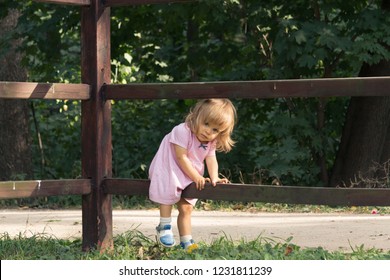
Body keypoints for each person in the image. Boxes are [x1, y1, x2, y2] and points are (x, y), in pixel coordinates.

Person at [148, 98, 237, 250]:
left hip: (190, 171)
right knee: (168, 193)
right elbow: (180, 157)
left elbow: (211, 158)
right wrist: (196, 176)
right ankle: (164, 226)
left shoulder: (211, 141)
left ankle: (186, 241)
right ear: (196, 117)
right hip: (170, 166)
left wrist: (214, 177)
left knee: (186, 207)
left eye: (215, 130)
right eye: (206, 124)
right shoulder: (182, 130)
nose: (209, 131)